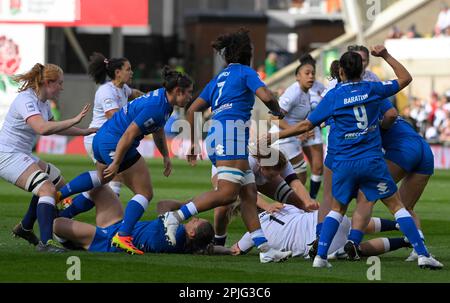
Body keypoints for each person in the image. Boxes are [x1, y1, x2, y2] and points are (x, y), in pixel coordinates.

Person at [265, 45, 443, 269]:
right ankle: (422, 253)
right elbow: (405, 79)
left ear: (341, 73)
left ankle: (320, 257)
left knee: (337, 209)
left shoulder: (333, 96)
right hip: (371, 162)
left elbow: (306, 124)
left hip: (344, 163)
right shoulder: (372, 88)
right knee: (397, 206)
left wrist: (276, 136)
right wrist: (386, 55)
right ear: (362, 70)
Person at [161, 28, 292, 263]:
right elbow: (265, 94)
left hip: (221, 135)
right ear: (247, 54)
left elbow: (192, 109)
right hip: (229, 135)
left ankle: (265, 251)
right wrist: (277, 110)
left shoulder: (218, 78)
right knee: (227, 194)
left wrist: (192, 143)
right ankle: (176, 217)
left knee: (249, 195)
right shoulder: (245, 72)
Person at [55, 66, 194, 255]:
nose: (190, 97)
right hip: (116, 141)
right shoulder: (157, 106)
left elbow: (158, 130)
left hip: (102, 139)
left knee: (101, 181)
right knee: (145, 192)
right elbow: (129, 134)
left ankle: (63, 208)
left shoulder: (162, 99)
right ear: (178, 91)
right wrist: (117, 163)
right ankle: (124, 235)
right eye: (188, 93)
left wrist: (165, 155)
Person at [1, 63, 95, 252]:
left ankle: (26, 227)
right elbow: (42, 129)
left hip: (20, 153)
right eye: (59, 83)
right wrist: (75, 119)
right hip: (7, 155)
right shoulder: (26, 99)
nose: (62, 87)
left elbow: (56, 127)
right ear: (47, 82)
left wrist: (84, 131)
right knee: (47, 189)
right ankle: (47, 242)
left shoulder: (42, 103)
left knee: (57, 181)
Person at [62, 53, 144, 217]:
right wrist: (138, 124)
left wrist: (149, 99)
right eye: (128, 69)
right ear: (117, 73)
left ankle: (68, 209)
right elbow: (113, 117)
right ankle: (114, 217)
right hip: (98, 139)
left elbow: (133, 92)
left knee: (102, 183)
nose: (132, 72)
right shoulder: (106, 91)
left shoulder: (122, 88)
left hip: (108, 139)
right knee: (116, 174)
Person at [53, 185, 214, 254]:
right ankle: (69, 217)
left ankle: (72, 243)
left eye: (196, 221)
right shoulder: (188, 245)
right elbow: (208, 248)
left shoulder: (174, 231)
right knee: (99, 188)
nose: (194, 218)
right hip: (118, 226)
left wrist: (185, 204)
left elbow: (163, 204)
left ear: (192, 233)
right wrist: (226, 249)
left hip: (108, 240)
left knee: (56, 224)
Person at [211, 146, 319, 246]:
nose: (275, 178)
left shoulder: (282, 162)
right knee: (222, 208)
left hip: (254, 173)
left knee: (298, 201)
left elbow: (295, 183)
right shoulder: (248, 163)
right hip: (227, 171)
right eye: (272, 175)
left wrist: (308, 202)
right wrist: (267, 206)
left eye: (278, 174)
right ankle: (219, 242)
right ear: (261, 167)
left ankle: (318, 231)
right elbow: (246, 193)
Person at [270, 54, 316, 187]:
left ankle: (290, 205)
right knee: (298, 177)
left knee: (294, 177)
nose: (311, 76)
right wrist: (296, 132)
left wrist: (304, 131)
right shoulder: (293, 93)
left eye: (313, 73)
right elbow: (274, 118)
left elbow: (297, 118)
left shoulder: (306, 93)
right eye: (307, 73)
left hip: (290, 140)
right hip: (281, 140)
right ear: (297, 77)